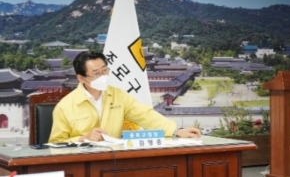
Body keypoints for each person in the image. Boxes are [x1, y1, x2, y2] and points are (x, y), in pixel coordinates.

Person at [49, 51, 200, 143]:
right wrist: (83, 138)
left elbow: (144, 114)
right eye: (96, 73)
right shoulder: (65, 107)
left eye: (105, 70)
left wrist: (176, 131)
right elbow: (55, 143)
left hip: (114, 159)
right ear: (81, 78)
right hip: (81, 164)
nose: (103, 76)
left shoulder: (117, 94)